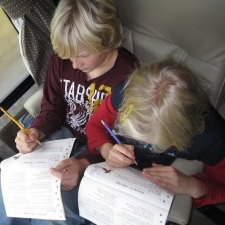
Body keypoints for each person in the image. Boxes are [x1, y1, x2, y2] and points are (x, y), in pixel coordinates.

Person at [0, 0, 139, 224]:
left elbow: (123, 140)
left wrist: (84, 163)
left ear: (107, 39)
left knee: (58, 206)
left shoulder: (129, 76)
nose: (74, 64)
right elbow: (52, 108)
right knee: (14, 186)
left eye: (82, 55)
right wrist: (36, 131)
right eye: (68, 56)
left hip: (100, 151)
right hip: (61, 135)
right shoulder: (63, 60)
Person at [86, 59, 225, 208]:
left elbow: (221, 187)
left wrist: (191, 185)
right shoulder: (126, 95)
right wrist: (106, 150)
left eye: (155, 142)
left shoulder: (214, 138)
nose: (145, 144)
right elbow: (95, 126)